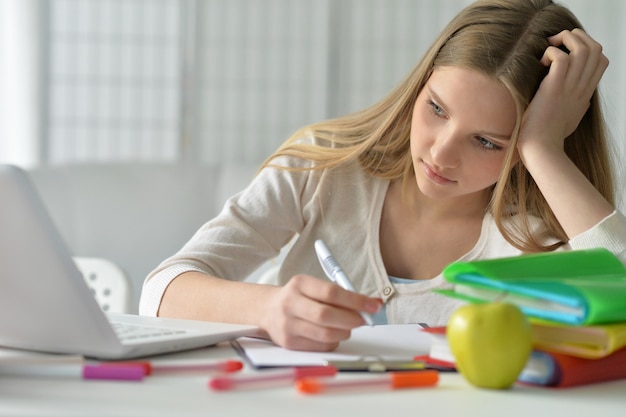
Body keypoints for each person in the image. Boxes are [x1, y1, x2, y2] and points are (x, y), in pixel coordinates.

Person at [139, 0, 626, 352]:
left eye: (487, 141)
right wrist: (267, 309)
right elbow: (160, 292)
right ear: (419, 83)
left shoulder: (535, 237)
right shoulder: (324, 168)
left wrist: (544, 148)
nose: (440, 152)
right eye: (436, 108)